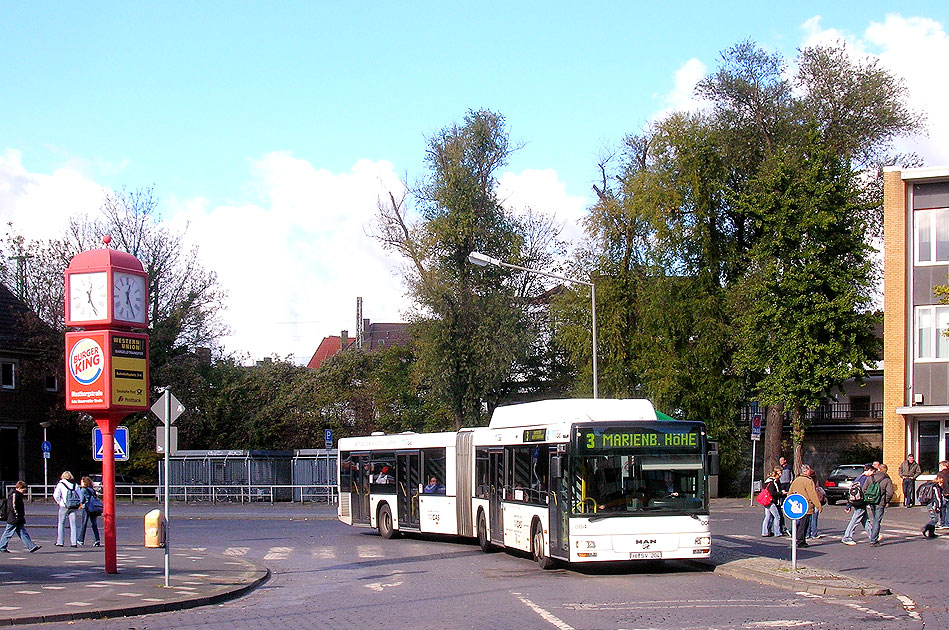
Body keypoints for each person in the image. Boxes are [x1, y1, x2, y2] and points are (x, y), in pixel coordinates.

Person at [0, 481, 41, 553]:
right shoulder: (14, 495)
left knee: (22, 532)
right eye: (23, 490)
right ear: (19, 488)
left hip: (17, 518)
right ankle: (2, 546)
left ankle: (31, 546)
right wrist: (16, 515)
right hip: (14, 518)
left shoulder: (16, 494)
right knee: (9, 532)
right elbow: (13, 506)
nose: (24, 492)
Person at [787, 464, 822, 548]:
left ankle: (798, 539)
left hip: (797, 505)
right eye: (809, 470)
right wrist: (818, 505)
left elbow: (790, 493)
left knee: (799, 523)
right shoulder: (808, 481)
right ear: (806, 471)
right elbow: (812, 494)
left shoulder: (796, 480)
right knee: (804, 524)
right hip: (806, 505)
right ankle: (801, 541)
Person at [842, 463, 875, 545]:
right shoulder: (866, 479)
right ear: (869, 470)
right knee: (855, 520)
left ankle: (873, 535)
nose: (873, 474)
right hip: (861, 502)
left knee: (865, 520)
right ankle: (847, 537)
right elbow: (865, 491)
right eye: (872, 471)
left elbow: (852, 492)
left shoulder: (858, 478)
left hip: (856, 501)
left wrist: (849, 505)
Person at [865, 463, 895, 547]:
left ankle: (873, 537)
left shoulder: (871, 477)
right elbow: (890, 492)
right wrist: (886, 501)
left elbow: (864, 488)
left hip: (871, 501)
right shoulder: (887, 479)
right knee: (877, 520)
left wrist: (868, 498)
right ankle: (873, 540)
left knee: (874, 518)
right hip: (880, 502)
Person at [52, 471, 80, 547]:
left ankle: (60, 541)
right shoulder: (75, 485)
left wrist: (59, 502)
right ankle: (74, 542)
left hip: (64, 506)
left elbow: (56, 495)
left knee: (61, 523)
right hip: (73, 506)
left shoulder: (60, 485)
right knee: (73, 525)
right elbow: (79, 496)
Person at [77, 476, 101, 547]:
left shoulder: (83, 490)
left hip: (87, 508)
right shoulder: (92, 489)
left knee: (84, 524)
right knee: (94, 524)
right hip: (94, 508)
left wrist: (80, 505)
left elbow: (82, 500)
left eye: (82, 481)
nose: (80, 483)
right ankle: (97, 540)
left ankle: (81, 540)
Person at [760, 467, 783, 537]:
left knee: (768, 516)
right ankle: (777, 532)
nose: (781, 475)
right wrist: (781, 493)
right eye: (780, 473)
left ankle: (765, 532)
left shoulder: (767, 482)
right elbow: (772, 493)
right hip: (771, 501)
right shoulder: (772, 483)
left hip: (765, 501)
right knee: (777, 516)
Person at [806, 467, 826, 539]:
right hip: (816, 501)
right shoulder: (815, 482)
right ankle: (814, 533)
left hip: (809, 502)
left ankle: (807, 533)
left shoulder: (807, 481)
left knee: (809, 519)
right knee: (814, 519)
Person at [936, 461, 949, 528]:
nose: (940, 467)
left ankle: (943, 523)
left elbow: (939, 483)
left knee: (942, 508)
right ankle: (947, 523)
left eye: (941, 466)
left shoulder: (940, 474)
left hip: (943, 493)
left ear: (944, 466)